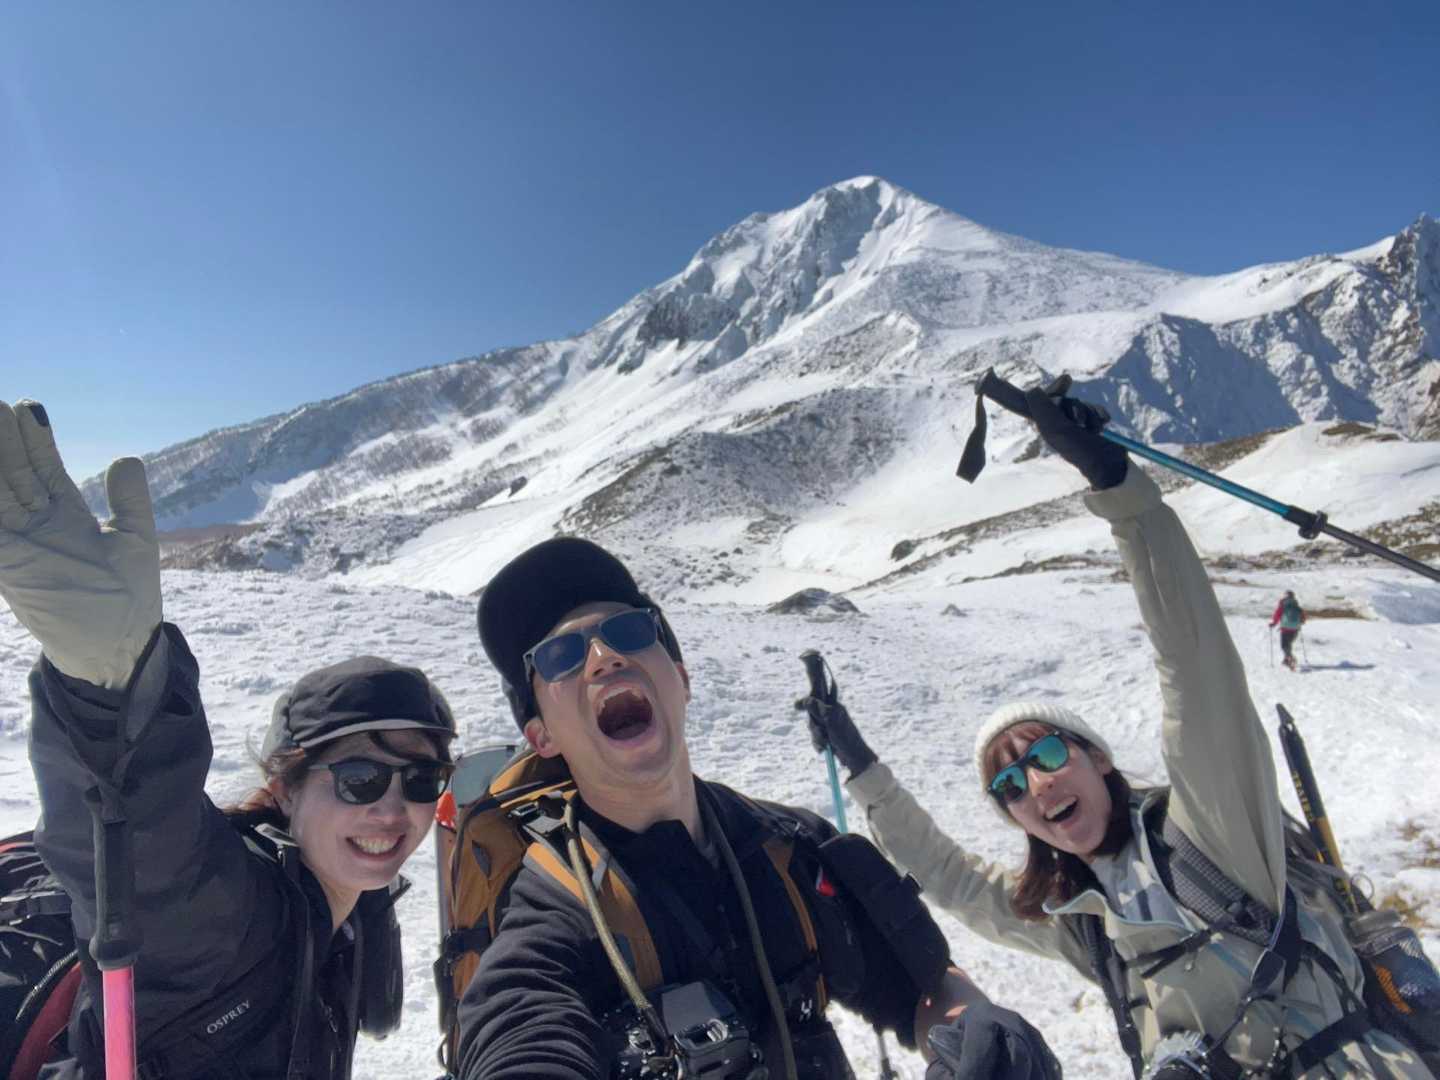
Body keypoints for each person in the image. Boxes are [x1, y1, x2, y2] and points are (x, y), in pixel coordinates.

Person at [807, 386, 1435, 1078]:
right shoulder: (1082, 923)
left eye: (1046, 753)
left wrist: (1120, 493)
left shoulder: (1211, 837)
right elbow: (951, 879)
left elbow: (1195, 667)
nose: (1034, 784)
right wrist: (862, 770)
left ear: (1098, 758)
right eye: (1009, 785)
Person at [452, 536, 1062, 1080]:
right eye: (560, 656)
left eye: (629, 631)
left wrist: (976, 1033)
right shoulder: (550, 911)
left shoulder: (791, 847)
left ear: (682, 680)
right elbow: (520, 1026)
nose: (603, 659)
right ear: (542, 736)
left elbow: (924, 986)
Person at [0, 399, 456, 1078]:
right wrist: (112, 687)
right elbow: (149, 854)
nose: (393, 811)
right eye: (360, 779)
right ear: (285, 786)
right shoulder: (229, 916)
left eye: (420, 780)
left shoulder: (343, 918)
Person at [1270, 590, 1306, 670]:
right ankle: (1287, 659)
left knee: (1284, 645)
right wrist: (1299, 623)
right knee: (1288, 644)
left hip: (1285, 629)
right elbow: (1303, 618)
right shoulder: (1297, 606)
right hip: (1295, 629)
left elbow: (1277, 615)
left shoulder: (1282, 606)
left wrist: (1273, 623)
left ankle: (1290, 658)